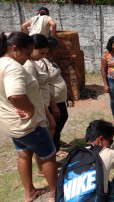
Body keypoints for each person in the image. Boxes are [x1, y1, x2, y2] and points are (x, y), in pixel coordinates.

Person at [0, 32, 57, 202]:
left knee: (24, 155)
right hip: (29, 125)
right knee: (48, 155)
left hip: (12, 124)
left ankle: (30, 192)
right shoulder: (13, 67)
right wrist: (31, 110)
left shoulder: (1, 63)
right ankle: (55, 192)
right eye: (26, 53)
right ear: (15, 49)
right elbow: (15, 95)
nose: (27, 58)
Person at [23, 34, 57, 177]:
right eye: (41, 52)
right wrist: (48, 114)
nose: (43, 55)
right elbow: (31, 93)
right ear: (32, 48)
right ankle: (44, 169)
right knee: (42, 144)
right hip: (37, 109)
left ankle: (43, 168)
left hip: (41, 106)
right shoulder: (28, 66)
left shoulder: (35, 62)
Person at [45, 36, 69, 157]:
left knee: (61, 120)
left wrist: (67, 93)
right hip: (52, 100)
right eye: (52, 49)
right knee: (55, 123)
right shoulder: (41, 63)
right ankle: (55, 147)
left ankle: (56, 140)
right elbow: (44, 85)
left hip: (60, 98)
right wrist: (53, 105)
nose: (55, 51)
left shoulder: (50, 60)